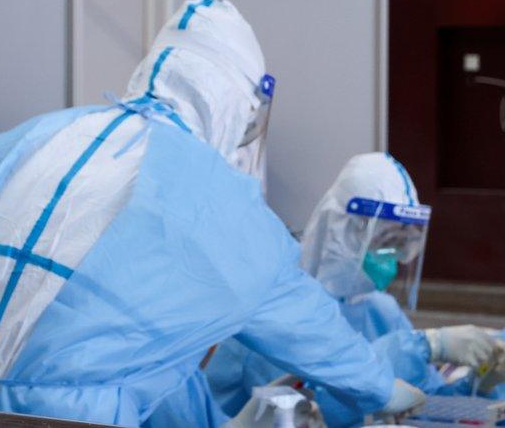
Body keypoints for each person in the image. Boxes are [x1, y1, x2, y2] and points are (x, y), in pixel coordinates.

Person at [0, 0, 424, 427]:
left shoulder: (13, 145)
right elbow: (312, 332)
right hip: (60, 421)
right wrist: (381, 387)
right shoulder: (223, 207)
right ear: (239, 106)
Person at [205, 152, 505, 426]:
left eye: (400, 246)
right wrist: (427, 346)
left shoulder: (380, 309)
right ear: (344, 232)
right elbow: (322, 406)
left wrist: (480, 386)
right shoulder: (278, 313)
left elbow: (420, 402)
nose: (393, 258)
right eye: (385, 242)